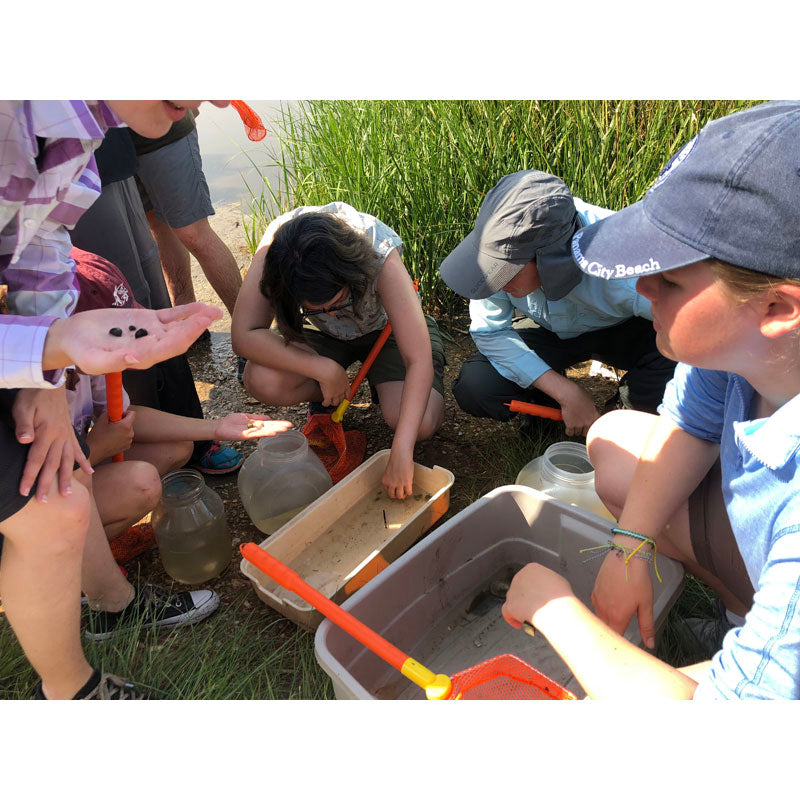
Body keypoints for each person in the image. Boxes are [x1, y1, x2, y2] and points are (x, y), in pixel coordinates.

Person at [502, 100, 800, 699]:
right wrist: (629, 546)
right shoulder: (740, 355)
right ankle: (746, 623)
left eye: (670, 278)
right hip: (763, 534)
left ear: (777, 308)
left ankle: (765, 654)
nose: (641, 286)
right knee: (615, 445)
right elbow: (688, 424)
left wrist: (555, 608)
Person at [0, 99, 226, 700]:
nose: (216, 98)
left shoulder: (83, 127)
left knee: (59, 501)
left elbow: (43, 242)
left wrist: (47, 374)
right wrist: (52, 347)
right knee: (51, 506)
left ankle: (84, 663)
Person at [69, 249, 292, 541]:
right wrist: (96, 448)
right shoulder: (32, 390)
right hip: (38, 500)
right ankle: (75, 559)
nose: (127, 349)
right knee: (141, 484)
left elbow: (125, 417)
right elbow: (25, 489)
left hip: (76, 462)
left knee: (177, 446)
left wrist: (216, 427)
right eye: (113, 336)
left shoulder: (92, 362)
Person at [232, 202, 446, 499]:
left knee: (418, 424)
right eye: (315, 308)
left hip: (388, 330)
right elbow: (243, 337)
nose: (331, 313)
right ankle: (329, 396)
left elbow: (418, 359)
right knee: (261, 378)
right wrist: (322, 369)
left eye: (338, 302)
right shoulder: (276, 252)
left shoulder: (376, 249)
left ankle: (377, 385)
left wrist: (401, 450)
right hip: (323, 337)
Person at [440, 170, 677, 437]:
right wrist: (564, 392)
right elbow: (490, 332)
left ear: (550, 260)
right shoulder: (496, 250)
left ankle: (627, 416)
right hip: (549, 329)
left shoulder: (627, 260)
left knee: (670, 363)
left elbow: (690, 333)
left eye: (506, 272)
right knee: (479, 385)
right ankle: (550, 413)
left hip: (626, 329)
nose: (496, 283)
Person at [130, 110, 243, 318]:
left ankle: (247, 323)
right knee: (157, 226)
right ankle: (186, 314)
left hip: (166, 132)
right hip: (120, 144)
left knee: (194, 233)